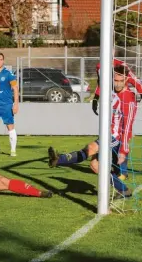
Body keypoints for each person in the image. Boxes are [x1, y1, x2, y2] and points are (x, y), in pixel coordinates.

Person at [48, 69, 132, 198]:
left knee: (91, 148)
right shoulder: (112, 93)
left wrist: (124, 150)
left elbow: (128, 124)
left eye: (121, 81)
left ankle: (60, 159)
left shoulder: (128, 97)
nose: (118, 84)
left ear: (126, 80)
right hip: (106, 134)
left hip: (115, 136)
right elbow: (100, 78)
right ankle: (123, 189)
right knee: (94, 165)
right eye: (115, 80)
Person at [92, 48, 142, 115]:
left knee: (124, 125)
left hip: (126, 99)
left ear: (113, 53)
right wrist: (95, 99)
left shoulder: (121, 65)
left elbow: (134, 80)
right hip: (112, 100)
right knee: (112, 124)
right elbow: (100, 83)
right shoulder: (99, 67)